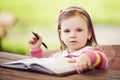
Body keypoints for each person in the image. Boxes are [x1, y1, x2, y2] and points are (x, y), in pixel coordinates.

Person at [29, 6, 108, 73]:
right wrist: (36, 50)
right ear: (61, 35)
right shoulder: (58, 56)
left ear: (89, 33)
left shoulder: (92, 52)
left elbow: (103, 60)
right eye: (67, 31)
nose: (72, 35)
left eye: (79, 30)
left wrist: (88, 57)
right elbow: (42, 67)